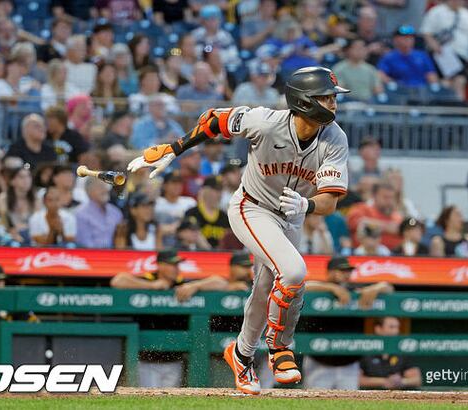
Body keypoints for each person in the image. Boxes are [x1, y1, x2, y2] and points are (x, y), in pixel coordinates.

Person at [127, 66, 351, 395]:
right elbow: (214, 120)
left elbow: (330, 201)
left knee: (266, 289)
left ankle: (242, 355)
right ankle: (280, 348)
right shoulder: (265, 121)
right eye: (326, 97)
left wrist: (306, 205)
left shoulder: (335, 138)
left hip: (292, 216)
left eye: (333, 97)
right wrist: (175, 148)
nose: (333, 103)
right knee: (293, 272)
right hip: (252, 207)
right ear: (304, 101)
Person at [302, 256, 393, 390]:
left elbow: (388, 287)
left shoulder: (355, 290)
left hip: (349, 363)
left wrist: (375, 288)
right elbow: (304, 286)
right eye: (341, 270)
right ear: (330, 272)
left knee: (349, 399)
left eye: (348, 271)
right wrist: (331, 288)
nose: (346, 274)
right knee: (314, 399)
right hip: (320, 360)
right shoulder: (319, 288)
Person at [110, 249, 186, 388]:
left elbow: (217, 282)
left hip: (174, 360)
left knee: (172, 399)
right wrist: (151, 286)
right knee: (147, 396)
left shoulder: (181, 283)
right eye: (172, 265)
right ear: (160, 265)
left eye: (177, 265)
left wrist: (195, 286)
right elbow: (117, 281)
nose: (176, 268)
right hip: (146, 360)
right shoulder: (149, 279)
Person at [359, 317, 422, 390]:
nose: (396, 331)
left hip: (397, 395)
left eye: (397, 327)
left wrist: (401, 381)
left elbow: (417, 380)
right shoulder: (365, 350)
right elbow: (357, 379)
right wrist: (385, 381)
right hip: (369, 395)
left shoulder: (402, 352)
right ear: (378, 329)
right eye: (391, 327)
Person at [175, 251, 254, 302]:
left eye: (249, 267)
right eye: (244, 267)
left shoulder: (253, 283)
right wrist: (195, 286)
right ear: (232, 267)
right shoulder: (223, 282)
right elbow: (218, 281)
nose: (248, 270)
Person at [347, 183, 403, 250]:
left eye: (391, 197)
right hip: (365, 254)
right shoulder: (362, 209)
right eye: (385, 197)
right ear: (374, 196)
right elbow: (355, 222)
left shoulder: (397, 217)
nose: (389, 201)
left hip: (396, 254)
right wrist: (386, 226)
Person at [75, 178, 123, 249]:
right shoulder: (81, 213)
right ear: (88, 191)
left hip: (116, 254)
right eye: (100, 186)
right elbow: (85, 244)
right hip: (92, 254)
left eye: (105, 186)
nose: (104, 189)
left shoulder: (116, 212)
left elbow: (121, 240)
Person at [184, 175, 230, 249]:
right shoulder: (192, 213)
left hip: (220, 255)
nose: (219, 194)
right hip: (197, 253)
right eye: (215, 189)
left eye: (221, 190)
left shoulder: (224, 216)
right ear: (205, 190)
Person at [155, 170, 197, 248]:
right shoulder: (156, 203)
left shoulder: (190, 203)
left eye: (180, 183)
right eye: (174, 182)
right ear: (164, 185)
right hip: (162, 245)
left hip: (186, 247)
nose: (177, 186)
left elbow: (194, 228)